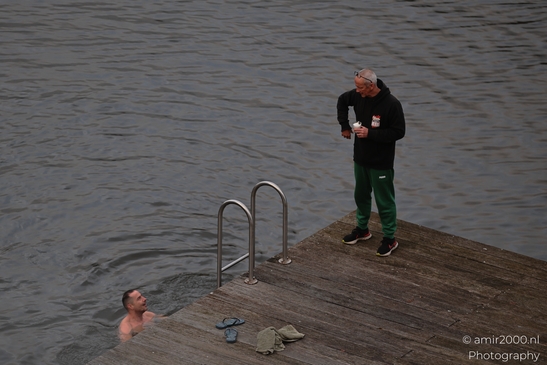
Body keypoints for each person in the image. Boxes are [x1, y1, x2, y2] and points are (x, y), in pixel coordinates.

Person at [337, 68, 406, 256]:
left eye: (360, 88)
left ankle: (390, 239)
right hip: (360, 158)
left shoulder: (392, 104)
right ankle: (362, 230)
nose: (357, 92)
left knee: (384, 201)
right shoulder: (359, 96)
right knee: (361, 195)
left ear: (371, 86)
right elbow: (342, 101)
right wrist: (344, 125)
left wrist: (370, 134)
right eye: (356, 87)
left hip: (381, 162)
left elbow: (399, 132)